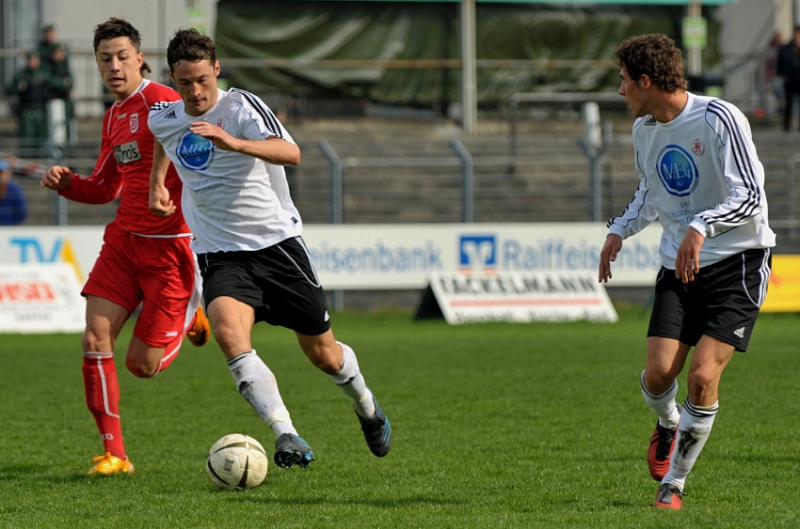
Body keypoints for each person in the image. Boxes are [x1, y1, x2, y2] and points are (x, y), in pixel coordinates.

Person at [148, 29, 392, 469]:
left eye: (203, 79)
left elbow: (291, 152)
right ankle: (287, 434)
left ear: (216, 70)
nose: (195, 91)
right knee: (228, 334)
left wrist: (234, 143)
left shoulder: (240, 107)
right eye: (185, 83)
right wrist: (156, 187)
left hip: (277, 247)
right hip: (221, 254)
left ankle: (367, 407)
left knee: (325, 356)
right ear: (173, 78)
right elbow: (164, 138)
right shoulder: (164, 117)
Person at [599, 34, 775, 510]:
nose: (619, 92)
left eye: (623, 81)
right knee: (658, 376)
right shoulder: (644, 131)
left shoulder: (719, 117)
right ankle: (668, 423)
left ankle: (673, 485)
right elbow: (650, 194)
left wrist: (701, 226)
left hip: (737, 263)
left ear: (647, 81)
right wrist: (619, 230)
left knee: (702, 378)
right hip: (678, 266)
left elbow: (752, 196)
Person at [39, 18, 210, 475]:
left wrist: (173, 194)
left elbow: (200, 162)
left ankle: (193, 315)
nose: (113, 66)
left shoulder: (166, 100)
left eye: (121, 57)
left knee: (142, 365)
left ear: (139, 59)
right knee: (95, 339)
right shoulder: (113, 116)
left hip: (170, 248)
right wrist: (69, 183)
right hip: (122, 244)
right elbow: (104, 187)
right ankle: (115, 453)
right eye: (104, 59)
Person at [5, 50, 52, 143]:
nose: (33, 62)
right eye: (31, 60)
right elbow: (9, 90)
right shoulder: (21, 75)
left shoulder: (44, 74)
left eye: (35, 60)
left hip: (41, 110)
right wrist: (19, 87)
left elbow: (52, 88)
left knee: (41, 139)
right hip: (26, 110)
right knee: (27, 138)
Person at [776, 26, 800, 131]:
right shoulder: (786, 49)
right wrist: (781, 75)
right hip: (790, 80)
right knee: (788, 104)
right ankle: (787, 126)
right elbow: (780, 64)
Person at [0, 159, 27, 225]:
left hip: (9, 228)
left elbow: (21, 212)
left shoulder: (14, 189)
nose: (2, 175)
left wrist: (11, 225)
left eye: (3, 172)